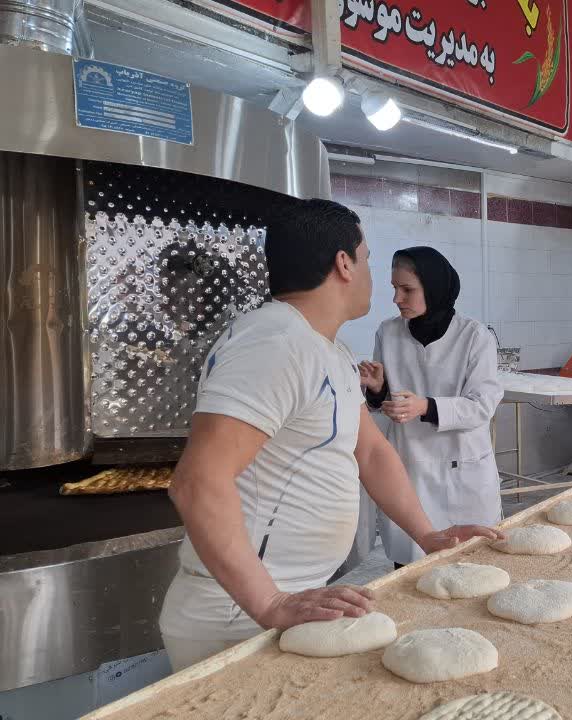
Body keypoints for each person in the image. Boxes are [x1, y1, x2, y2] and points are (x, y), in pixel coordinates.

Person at [159, 200, 501, 671]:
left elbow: (371, 451)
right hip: (239, 610)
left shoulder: (325, 348)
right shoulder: (274, 343)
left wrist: (427, 535)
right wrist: (269, 602)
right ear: (344, 263)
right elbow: (198, 482)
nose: (380, 284)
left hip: (289, 597)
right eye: (367, 259)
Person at [359, 246, 503, 568]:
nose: (397, 298)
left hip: (462, 471)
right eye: (394, 288)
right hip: (410, 469)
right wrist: (378, 389)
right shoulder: (388, 332)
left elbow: (482, 406)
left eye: (407, 289)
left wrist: (426, 406)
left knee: (473, 568)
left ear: (434, 287)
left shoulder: (474, 336)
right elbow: (385, 404)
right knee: (411, 570)